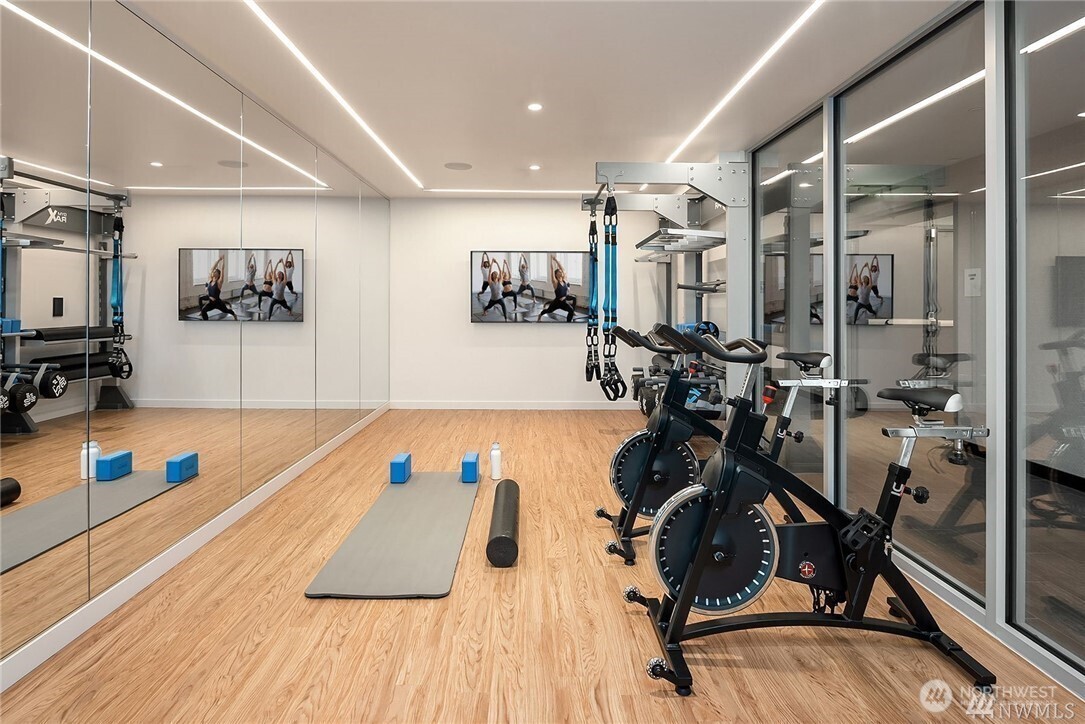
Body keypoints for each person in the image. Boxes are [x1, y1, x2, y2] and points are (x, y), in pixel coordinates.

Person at [537, 255, 577, 322]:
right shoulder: (555, 282)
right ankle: (540, 315)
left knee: (571, 310)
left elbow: (562, 269)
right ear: (556, 274)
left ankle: (568, 323)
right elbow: (552, 270)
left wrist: (556, 260)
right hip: (556, 303)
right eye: (559, 271)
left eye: (561, 272)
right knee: (548, 311)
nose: (561, 272)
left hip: (563, 303)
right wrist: (551, 260)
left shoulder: (565, 280)